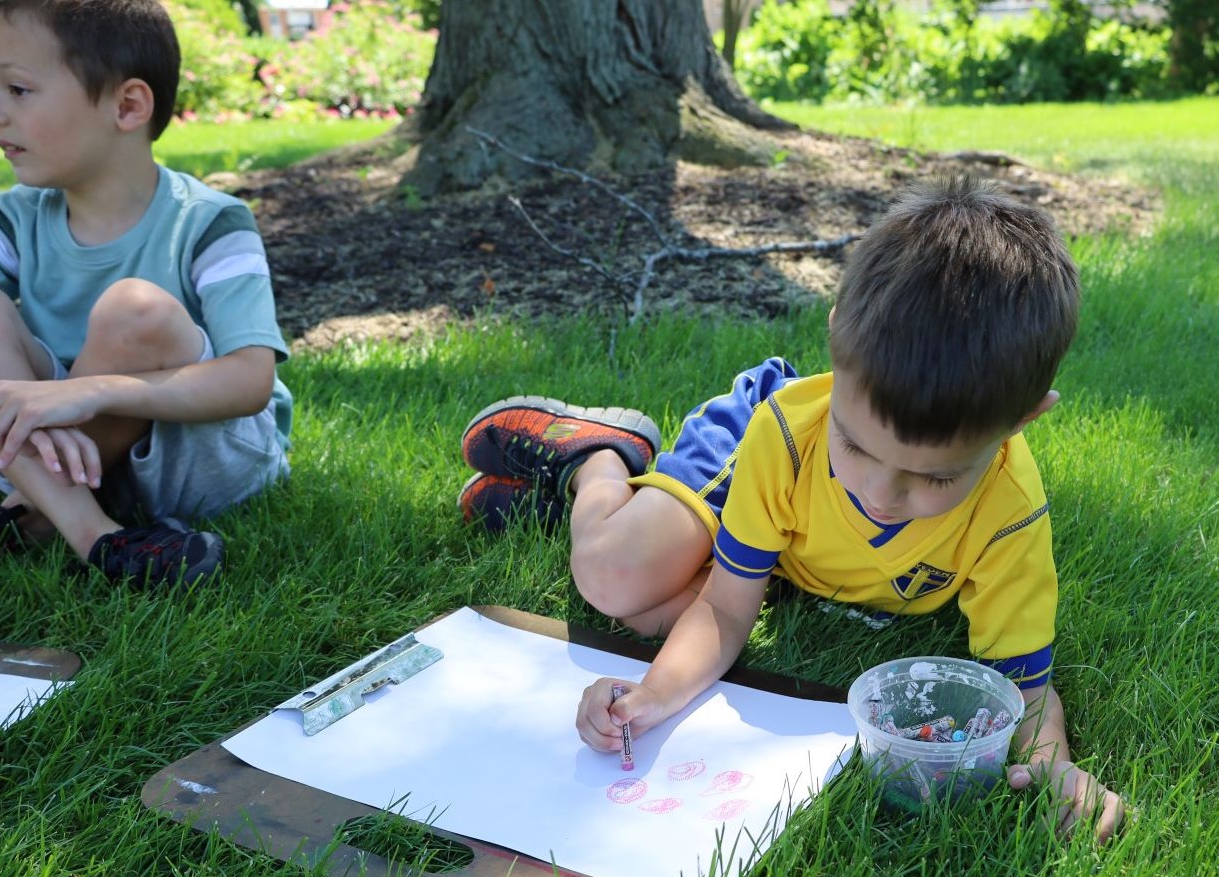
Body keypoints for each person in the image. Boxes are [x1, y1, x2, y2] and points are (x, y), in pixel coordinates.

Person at [460, 176, 1124, 841]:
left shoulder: (1008, 512)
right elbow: (723, 609)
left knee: (654, 612)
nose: (879, 494)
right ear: (836, 338)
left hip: (791, 549)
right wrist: (651, 697)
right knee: (614, 579)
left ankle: (612, 513)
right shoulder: (785, 435)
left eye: (935, 477)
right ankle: (598, 461)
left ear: (1021, 420)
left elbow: (1024, 688)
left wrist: (1051, 764)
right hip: (748, 450)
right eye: (856, 446)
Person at [0, 0, 293, 587]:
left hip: (194, 455)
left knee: (135, 311)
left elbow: (250, 382)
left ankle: (27, 513)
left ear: (126, 105)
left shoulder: (211, 223)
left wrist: (87, 395)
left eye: (16, 89)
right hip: (44, 446)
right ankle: (92, 533)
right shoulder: (5, 218)